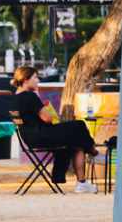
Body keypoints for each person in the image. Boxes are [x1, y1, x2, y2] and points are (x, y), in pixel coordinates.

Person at [11, 64, 98, 192]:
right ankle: (91, 149)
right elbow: (48, 118)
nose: (38, 81)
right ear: (25, 80)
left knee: (76, 142)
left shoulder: (13, 99)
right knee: (79, 125)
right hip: (41, 135)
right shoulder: (30, 96)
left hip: (28, 138)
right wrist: (42, 105)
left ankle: (81, 182)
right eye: (35, 77)